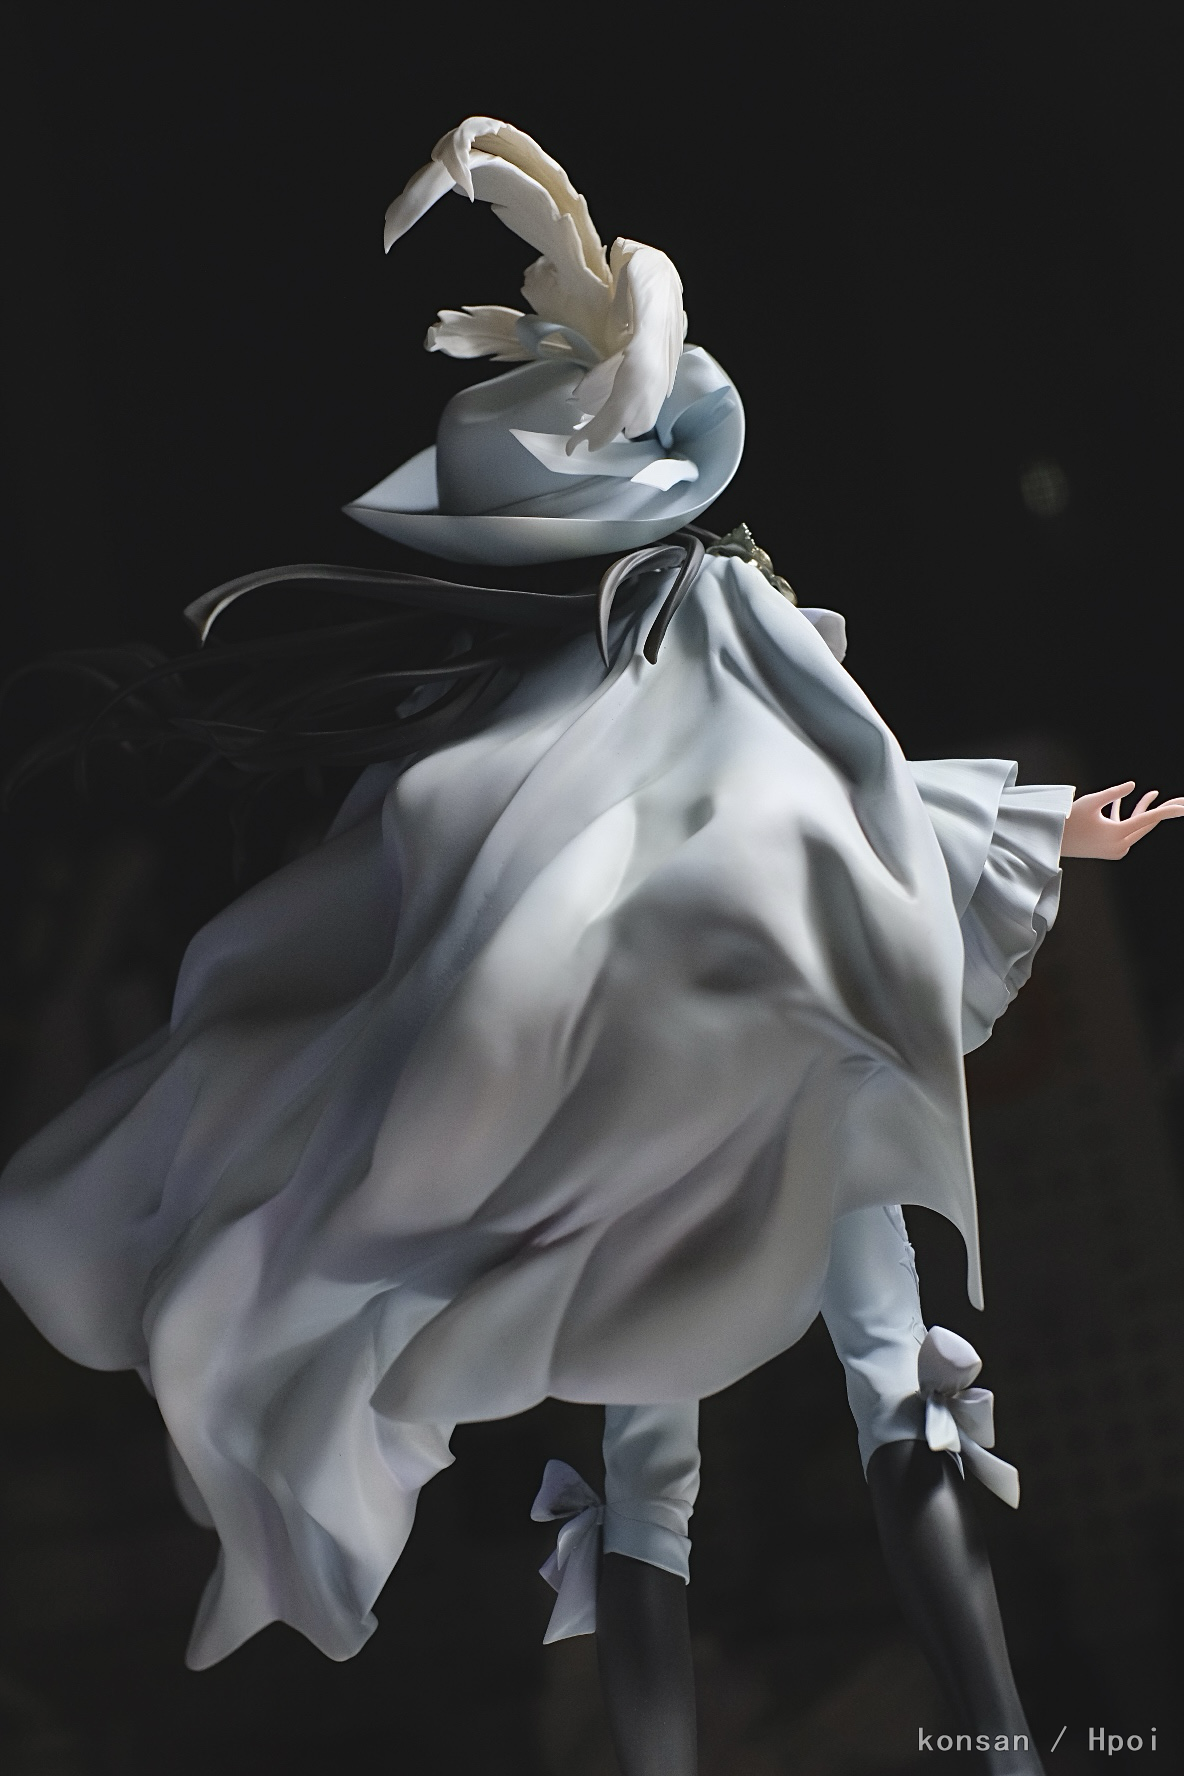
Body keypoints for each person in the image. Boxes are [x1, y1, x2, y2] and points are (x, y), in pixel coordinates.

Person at [1, 118, 1179, 1776]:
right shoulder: (637, 634)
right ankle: (972, 1744)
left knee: (813, 1416)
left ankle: (991, 1744)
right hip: (702, 1071)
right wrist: (1040, 823)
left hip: (750, 1058)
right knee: (765, 1429)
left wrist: (1041, 823)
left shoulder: (666, 621)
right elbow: (819, 797)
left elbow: (826, 796)